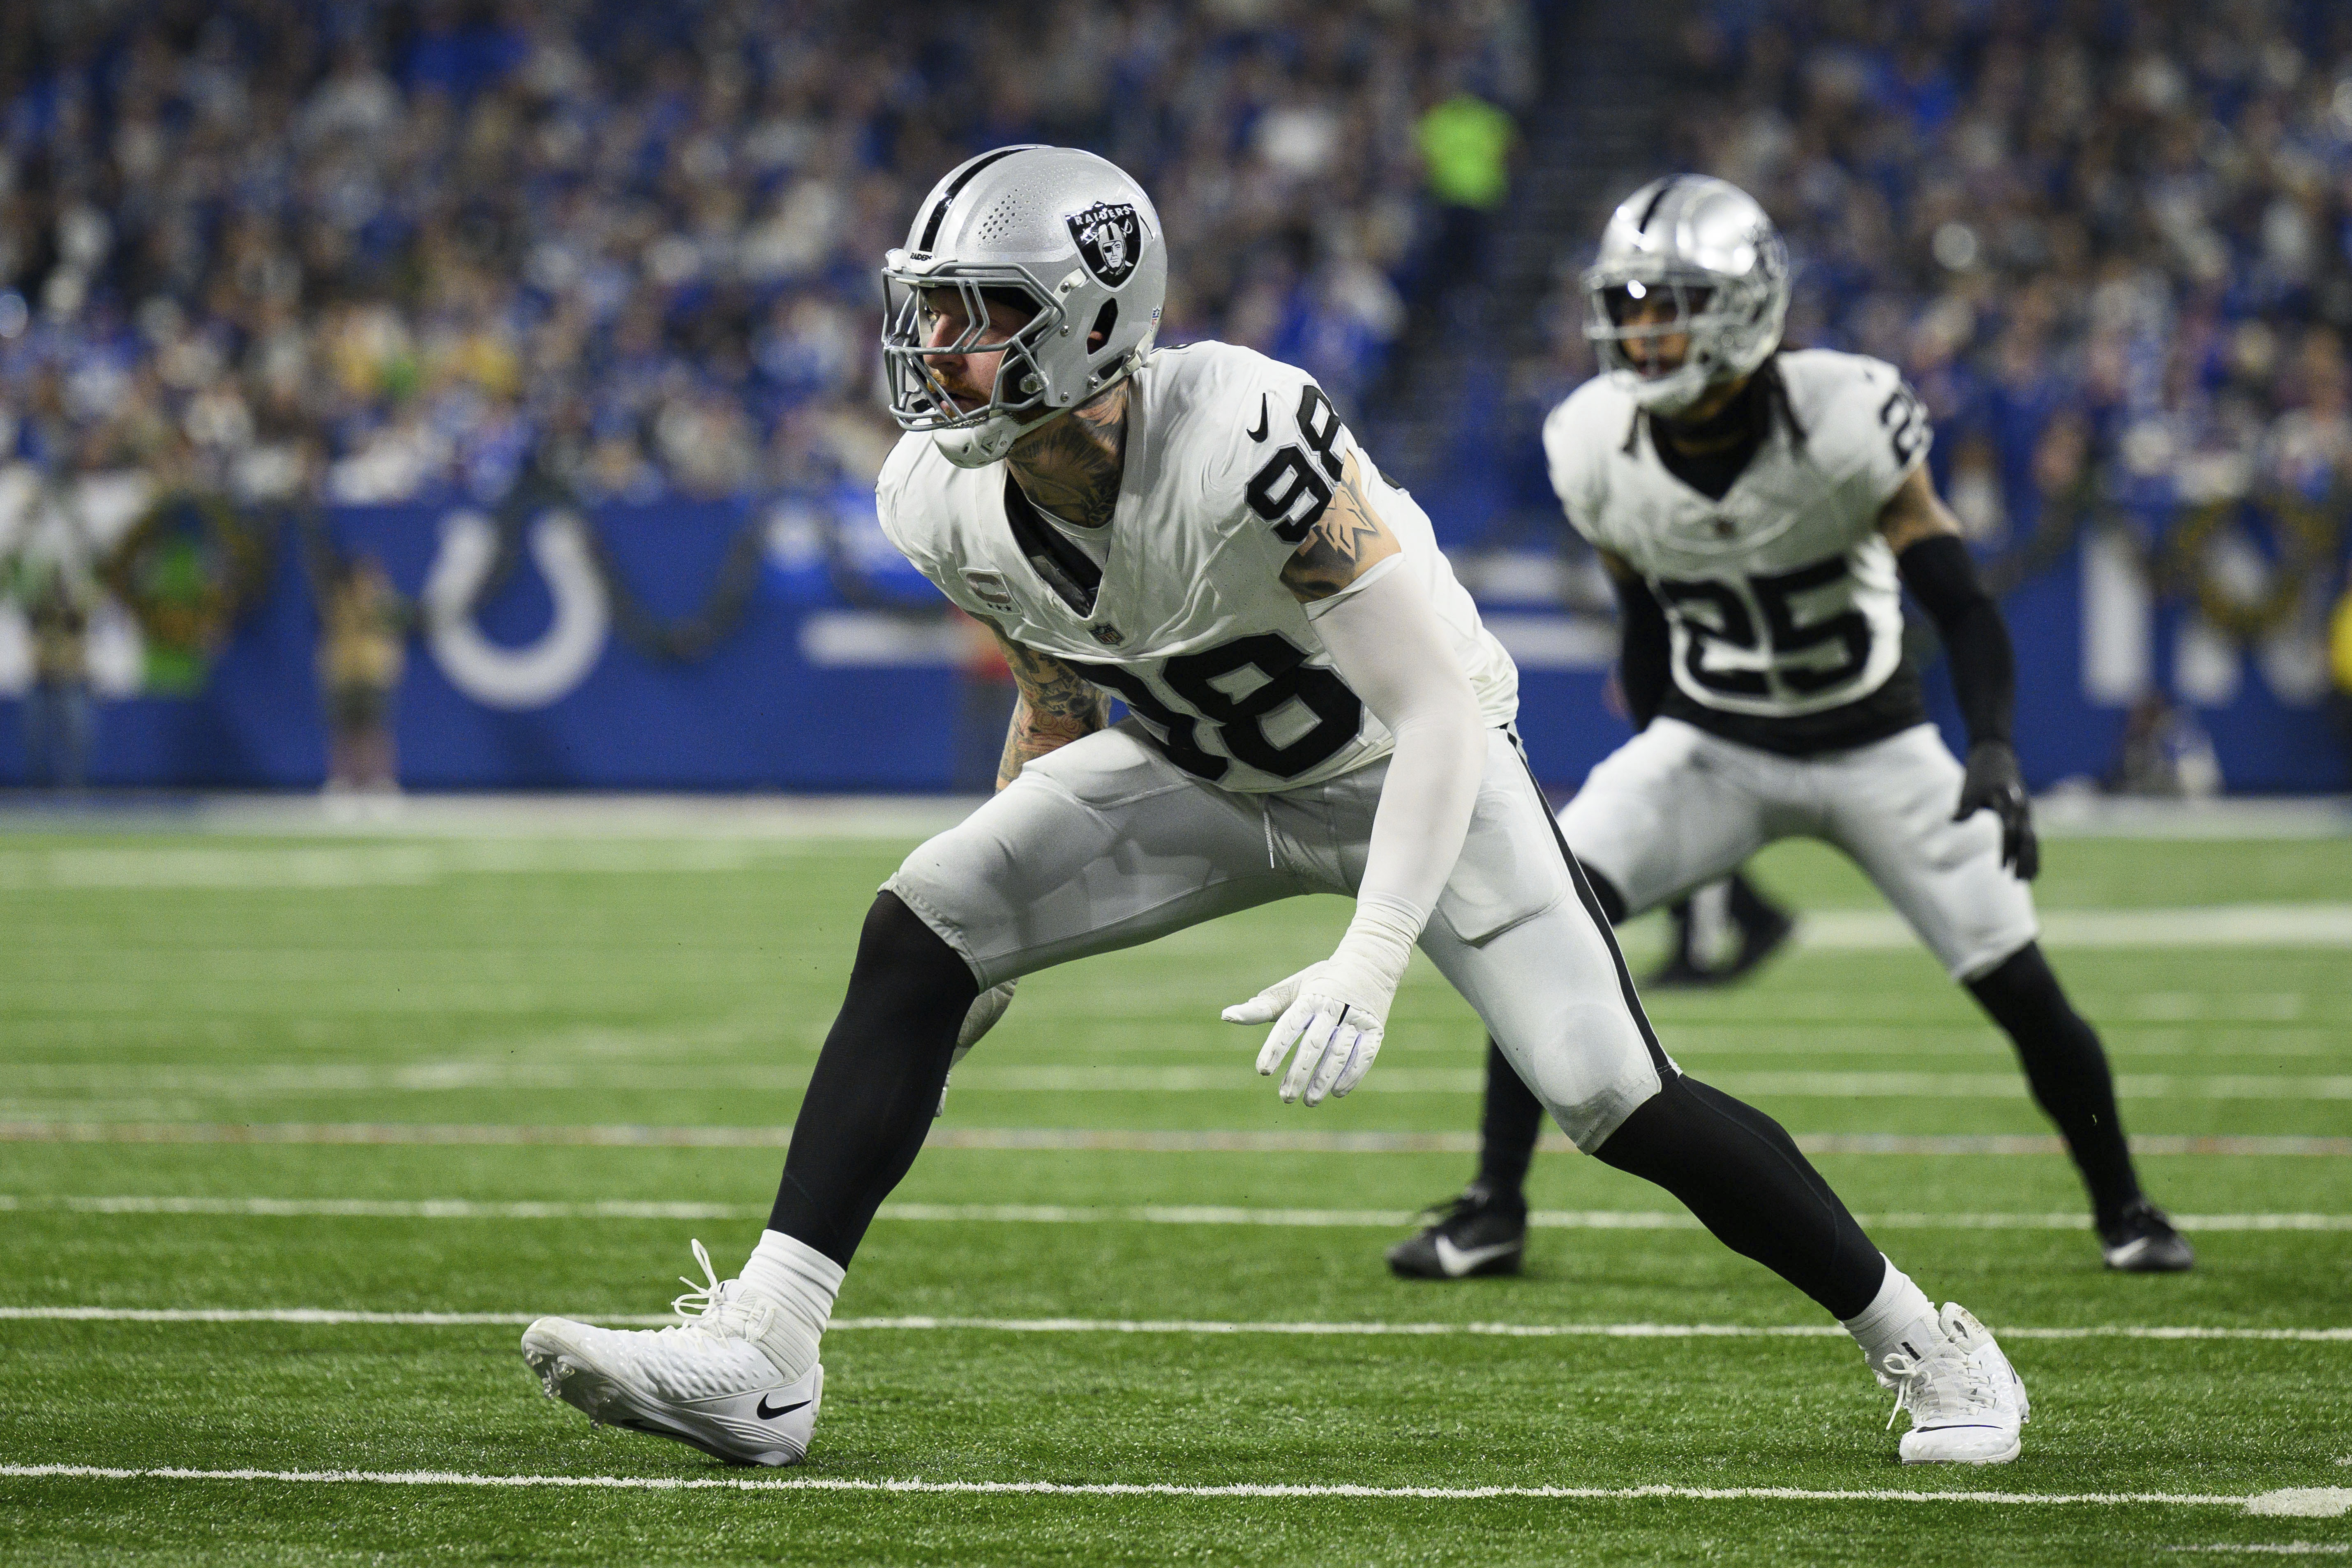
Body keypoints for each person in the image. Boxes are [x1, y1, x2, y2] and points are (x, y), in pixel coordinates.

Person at [516, 147, 2029, 1470]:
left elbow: (1436, 710)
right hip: (1205, 770)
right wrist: (995, 945)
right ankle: (770, 1353)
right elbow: (1060, 697)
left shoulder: (1247, 431)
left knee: (1614, 1098)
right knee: (924, 925)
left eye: (979, 315)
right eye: (929, 310)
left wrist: (1374, 953)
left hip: (1409, 774)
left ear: (1092, 318)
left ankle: (1923, 1339)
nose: (935, 348)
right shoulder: (936, 493)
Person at [1385, 176, 2190, 1285]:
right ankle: (1492, 1208)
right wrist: (1656, 756)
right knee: (1539, 918)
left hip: (1876, 742)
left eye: (1664, 304)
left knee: (2016, 978)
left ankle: (2127, 1209)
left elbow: (1958, 599)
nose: (1637, 331)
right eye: (1624, 305)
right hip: (1715, 741)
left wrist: (1994, 744)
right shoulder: (1591, 441)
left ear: (1744, 305)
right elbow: (1640, 625)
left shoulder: (1844, 414)